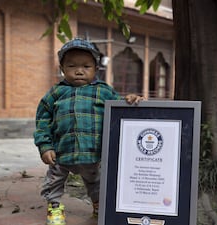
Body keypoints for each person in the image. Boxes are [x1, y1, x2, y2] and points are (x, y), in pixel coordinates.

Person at [33, 38, 144, 225]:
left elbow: (120, 107)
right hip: (61, 152)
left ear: (96, 69)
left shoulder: (103, 91)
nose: (79, 70)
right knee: (54, 182)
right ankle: (54, 207)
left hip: (93, 152)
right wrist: (45, 146)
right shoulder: (55, 93)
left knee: (96, 183)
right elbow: (42, 120)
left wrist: (130, 99)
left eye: (86, 66)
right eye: (71, 66)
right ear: (62, 68)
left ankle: (98, 205)